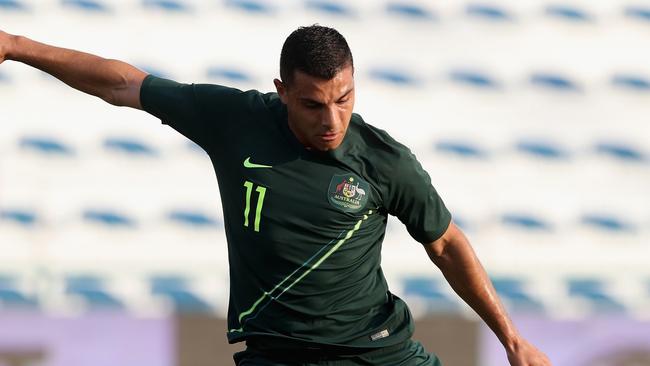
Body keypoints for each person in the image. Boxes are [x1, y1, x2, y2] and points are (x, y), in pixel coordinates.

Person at [0, 25, 551, 366]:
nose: (332, 119)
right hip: (278, 356)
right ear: (282, 91)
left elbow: (447, 243)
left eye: (344, 98)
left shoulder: (384, 160)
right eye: (313, 104)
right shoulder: (235, 121)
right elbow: (123, 84)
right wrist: (17, 46)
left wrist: (511, 339)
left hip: (378, 350)